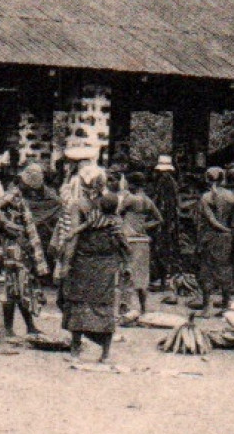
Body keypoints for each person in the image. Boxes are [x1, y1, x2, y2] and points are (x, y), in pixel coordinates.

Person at [61, 192, 131, 364]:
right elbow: (125, 247)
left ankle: (75, 352)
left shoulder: (93, 218)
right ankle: (105, 353)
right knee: (104, 306)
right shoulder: (117, 224)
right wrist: (125, 264)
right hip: (105, 270)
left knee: (79, 304)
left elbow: (79, 230)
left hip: (83, 267)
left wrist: (69, 243)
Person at [195, 167, 234, 310]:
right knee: (225, 269)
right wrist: (231, 232)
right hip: (227, 238)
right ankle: (225, 304)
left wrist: (223, 229)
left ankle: (206, 308)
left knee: (206, 270)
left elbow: (210, 220)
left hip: (210, 237)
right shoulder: (232, 197)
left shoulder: (206, 197)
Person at [116, 172, 163, 317]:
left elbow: (117, 213)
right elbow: (159, 219)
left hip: (129, 239)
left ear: (133, 184)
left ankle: (124, 308)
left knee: (127, 273)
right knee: (142, 276)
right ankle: (143, 308)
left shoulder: (129, 199)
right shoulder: (147, 200)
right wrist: (144, 226)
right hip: (143, 241)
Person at [146, 155, 184, 285]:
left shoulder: (165, 182)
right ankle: (164, 277)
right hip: (168, 220)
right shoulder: (170, 182)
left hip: (165, 221)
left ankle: (162, 277)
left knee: (162, 248)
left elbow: (164, 205)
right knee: (166, 247)